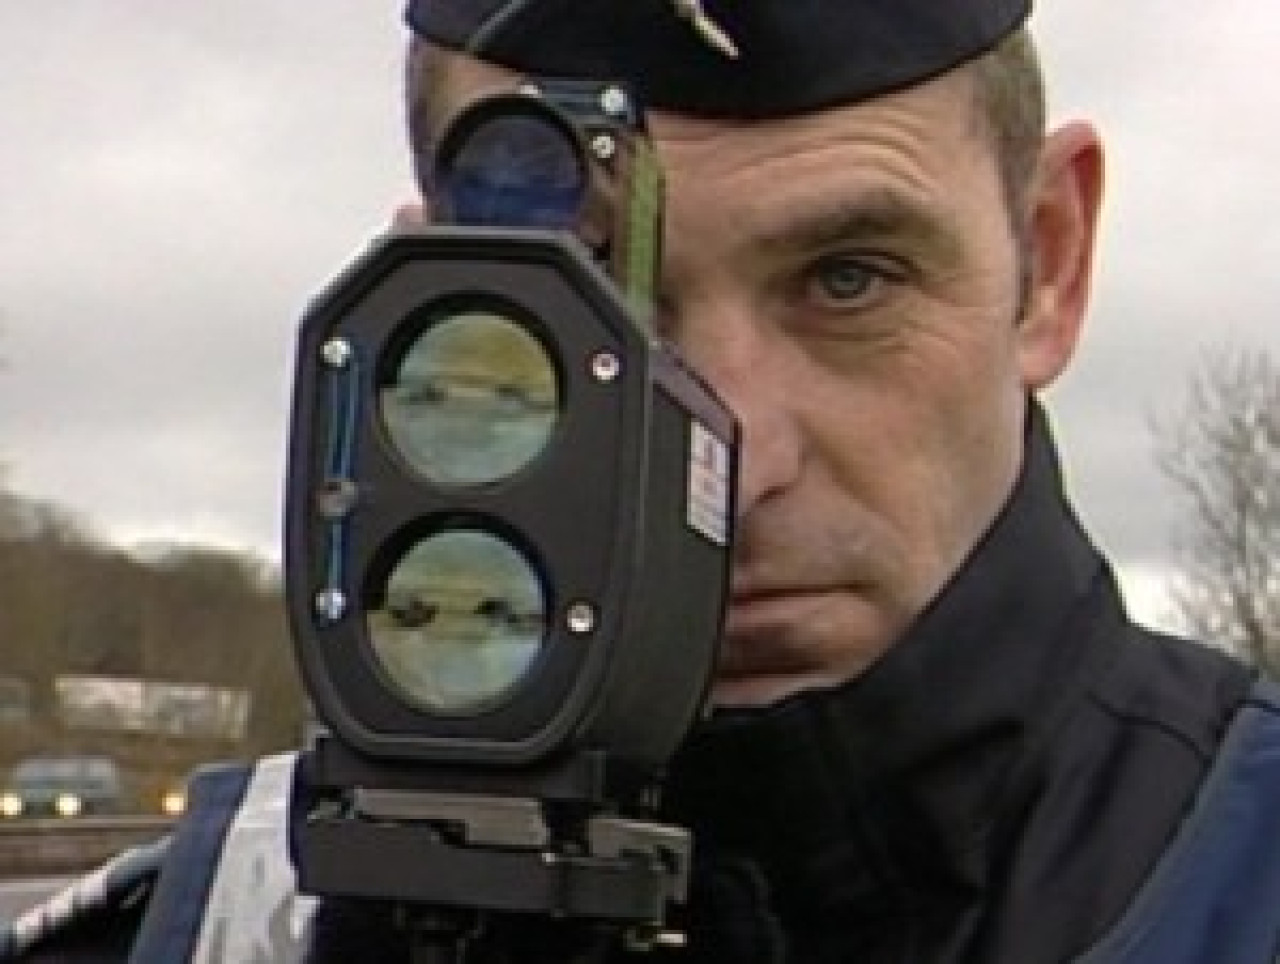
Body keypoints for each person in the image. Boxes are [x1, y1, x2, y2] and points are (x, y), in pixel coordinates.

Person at [8, 1, 1280, 961]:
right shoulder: (228, 921)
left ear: (1044, 264)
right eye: (599, 310)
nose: (729, 461)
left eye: (848, 279)